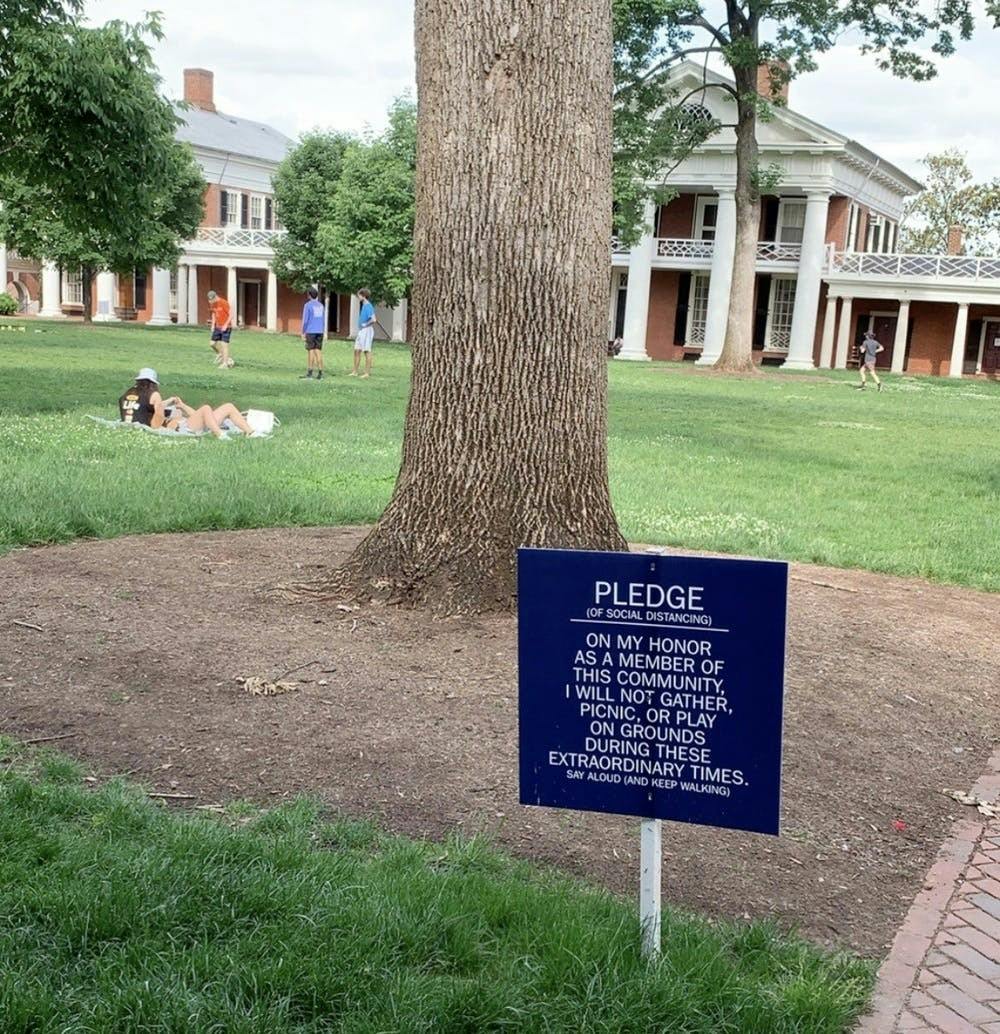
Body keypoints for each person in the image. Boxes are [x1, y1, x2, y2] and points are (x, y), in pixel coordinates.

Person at [163, 395, 258, 438]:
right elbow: (158, 410)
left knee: (228, 407)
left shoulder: (180, 414)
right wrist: (169, 400)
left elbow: (197, 415)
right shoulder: (166, 418)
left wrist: (182, 406)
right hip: (184, 427)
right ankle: (220, 434)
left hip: (198, 425)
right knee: (206, 408)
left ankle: (250, 432)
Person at [301, 287, 326, 380]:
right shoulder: (321, 306)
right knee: (318, 351)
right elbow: (323, 319)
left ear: (309, 295)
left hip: (311, 331)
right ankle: (320, 373)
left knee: (311, 351)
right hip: (320, 331)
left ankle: (310, 372)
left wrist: (303, 332)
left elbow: (305, 320)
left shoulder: (308, 305)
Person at [350, 288, 376, 378]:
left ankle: (367, 373)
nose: (358, 297)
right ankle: (355, 371)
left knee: (366, 350)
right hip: (361, 330)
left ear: (363, 296)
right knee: (357, 350)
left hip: (367, 330)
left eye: (359, 296)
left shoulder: (368, 306)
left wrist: (365, 324)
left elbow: (373, 319)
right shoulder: (364, 305)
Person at [207, 289, 234, 369]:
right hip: (217, 327)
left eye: (211, 300)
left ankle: (225, 364)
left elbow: (231, 315)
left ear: (215, 297)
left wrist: (226, 325)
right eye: (209, 300)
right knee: (212, 344)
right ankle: (220, 354)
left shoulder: (223, 302)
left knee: (224, 345)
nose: (210, 302)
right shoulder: (213, 304)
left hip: (226, 327)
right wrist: (213, 325)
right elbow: (214, 314)